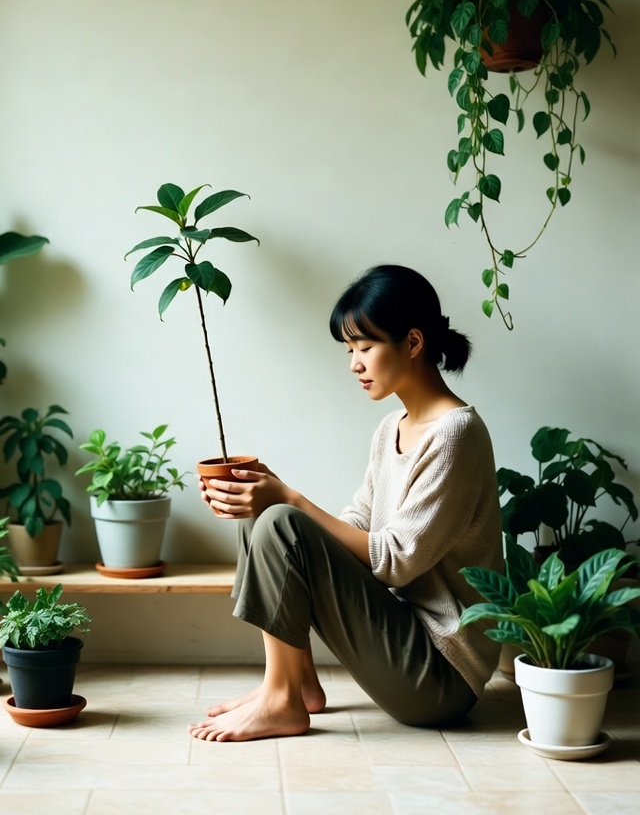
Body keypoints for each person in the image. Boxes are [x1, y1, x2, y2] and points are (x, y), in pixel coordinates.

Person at [188, 264, 503, 742]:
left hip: (440, 674)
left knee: (280, 519)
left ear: (413, 343)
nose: (354, 363)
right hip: (403, 638)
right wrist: (272, 494)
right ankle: (294, 683)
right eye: (349, 349)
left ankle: (281, 702)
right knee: (266, 518)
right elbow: (359, 521)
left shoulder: (456, 435)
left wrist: (290, 499)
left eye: (365, 347)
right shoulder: (390, 429)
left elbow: (397, 561)